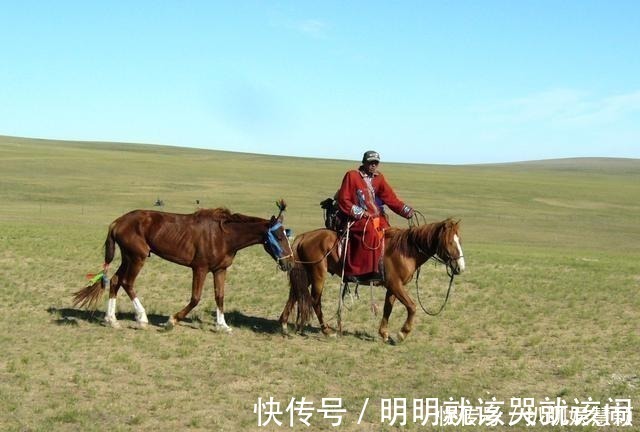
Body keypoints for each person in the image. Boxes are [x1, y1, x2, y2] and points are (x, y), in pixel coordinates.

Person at [336, 150, 414, 282]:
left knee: (389, 233)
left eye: (375, 163)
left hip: (376, 217)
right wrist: (360, 212)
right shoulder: (352, 176)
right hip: (357, 218)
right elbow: (344, 200)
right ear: (364, 162)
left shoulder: (379, 178)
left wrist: (406, 210)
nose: (373, 165)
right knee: (370, 233)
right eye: (370, 162)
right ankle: (361, 271)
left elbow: (391, 198)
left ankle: (386, 266)